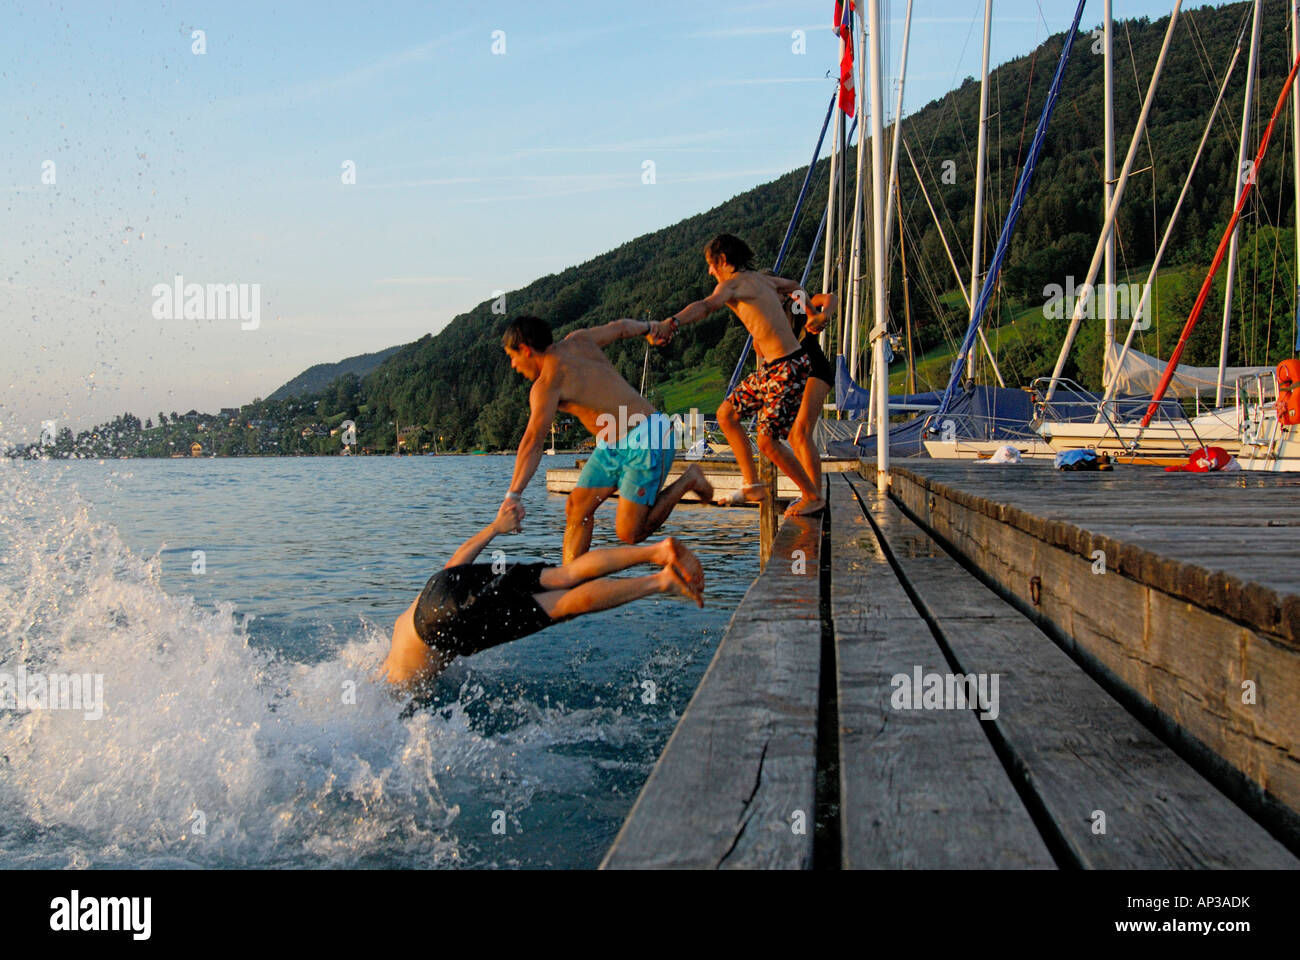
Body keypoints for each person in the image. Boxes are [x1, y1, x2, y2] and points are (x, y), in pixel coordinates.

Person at [381, 500, 705, 692]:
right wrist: (495, 527)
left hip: (445, 623)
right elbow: (454, 564)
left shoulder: (393, 689)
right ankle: (658, 551)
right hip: (440, 584)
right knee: (565, 575)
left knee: (562, 606)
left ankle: (662, 582)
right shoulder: (396, 634)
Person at [501, 315, 712, 563]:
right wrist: (650, 328)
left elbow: (533, 442)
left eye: (512, 357)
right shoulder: (579, 340)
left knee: (630, 532)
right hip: (612, 446)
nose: (514, 365)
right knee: (577, 508)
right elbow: (621, 328)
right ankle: (570, 583)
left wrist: (513, 496)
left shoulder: (547, 385)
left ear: (525, 350)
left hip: (648, 436)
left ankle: (689, 479)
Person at [650, 234, 825, 516]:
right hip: (773, 370)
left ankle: (812, 495)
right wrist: (811, 312)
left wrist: (673, 322)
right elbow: (794, 286)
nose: (709, 271)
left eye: (710, 264)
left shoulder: (732, 284)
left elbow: (706, 306)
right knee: (726, 415)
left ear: (722, 260)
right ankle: (752, 483)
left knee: (768, 442)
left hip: (788, 367)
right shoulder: (762, 280)